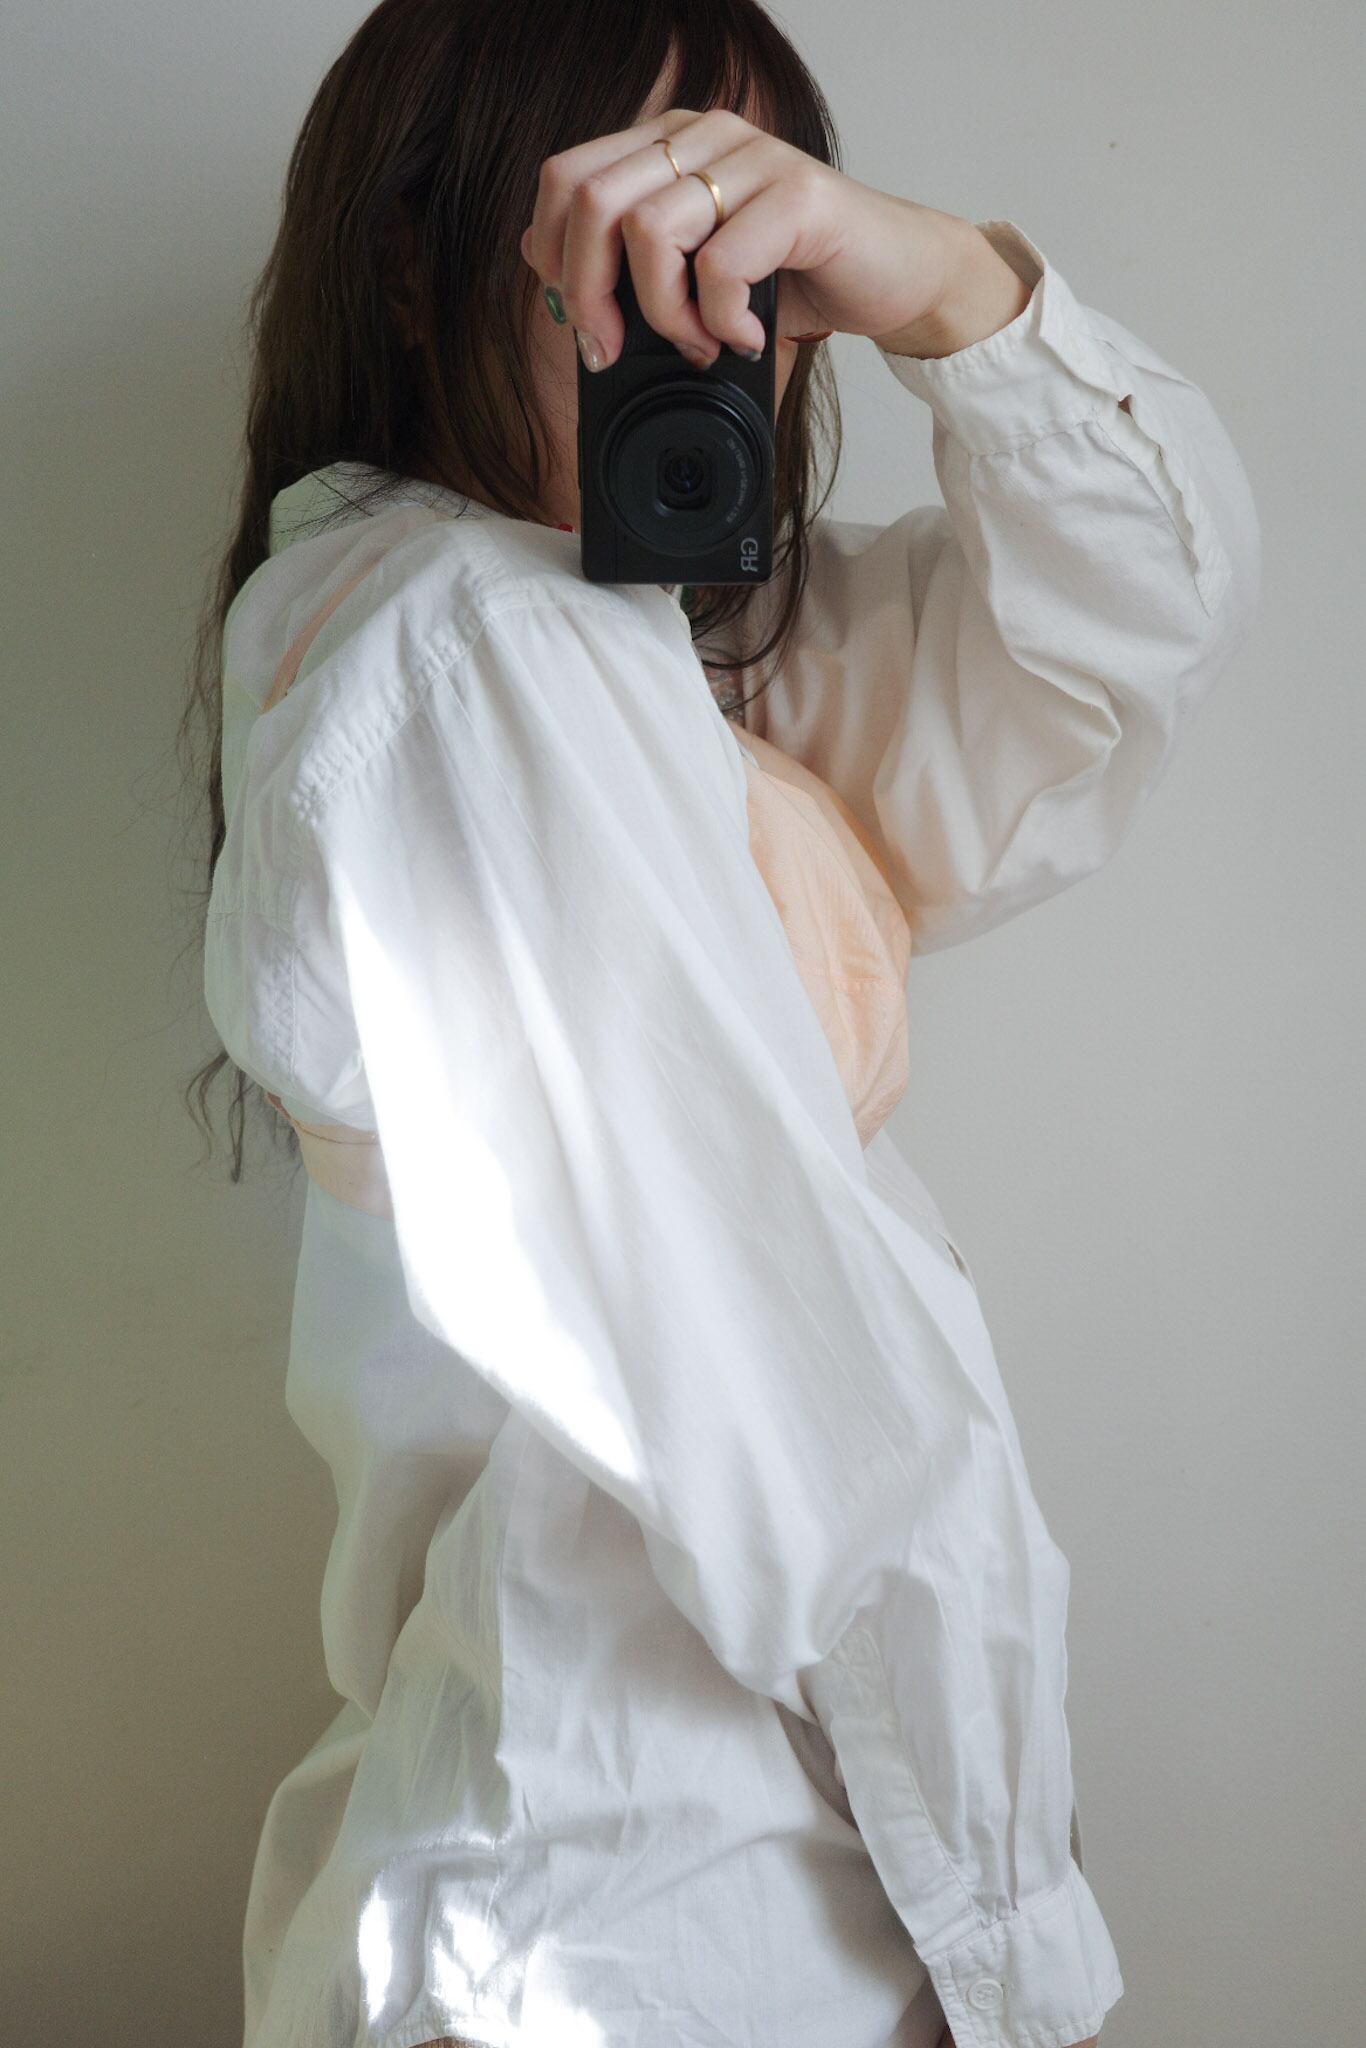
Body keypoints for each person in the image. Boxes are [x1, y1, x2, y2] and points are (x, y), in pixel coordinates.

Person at [184, 3, 1261, 2045]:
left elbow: (1120, 638)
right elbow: (817, 1409)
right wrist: (1011, 1947)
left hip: (681, 1873)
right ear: (418, 263)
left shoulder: (618, 643)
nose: (709, 313)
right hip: (646, 1901)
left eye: (747, 246)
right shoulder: (475, 649)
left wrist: (942, 281)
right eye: (632, 237)